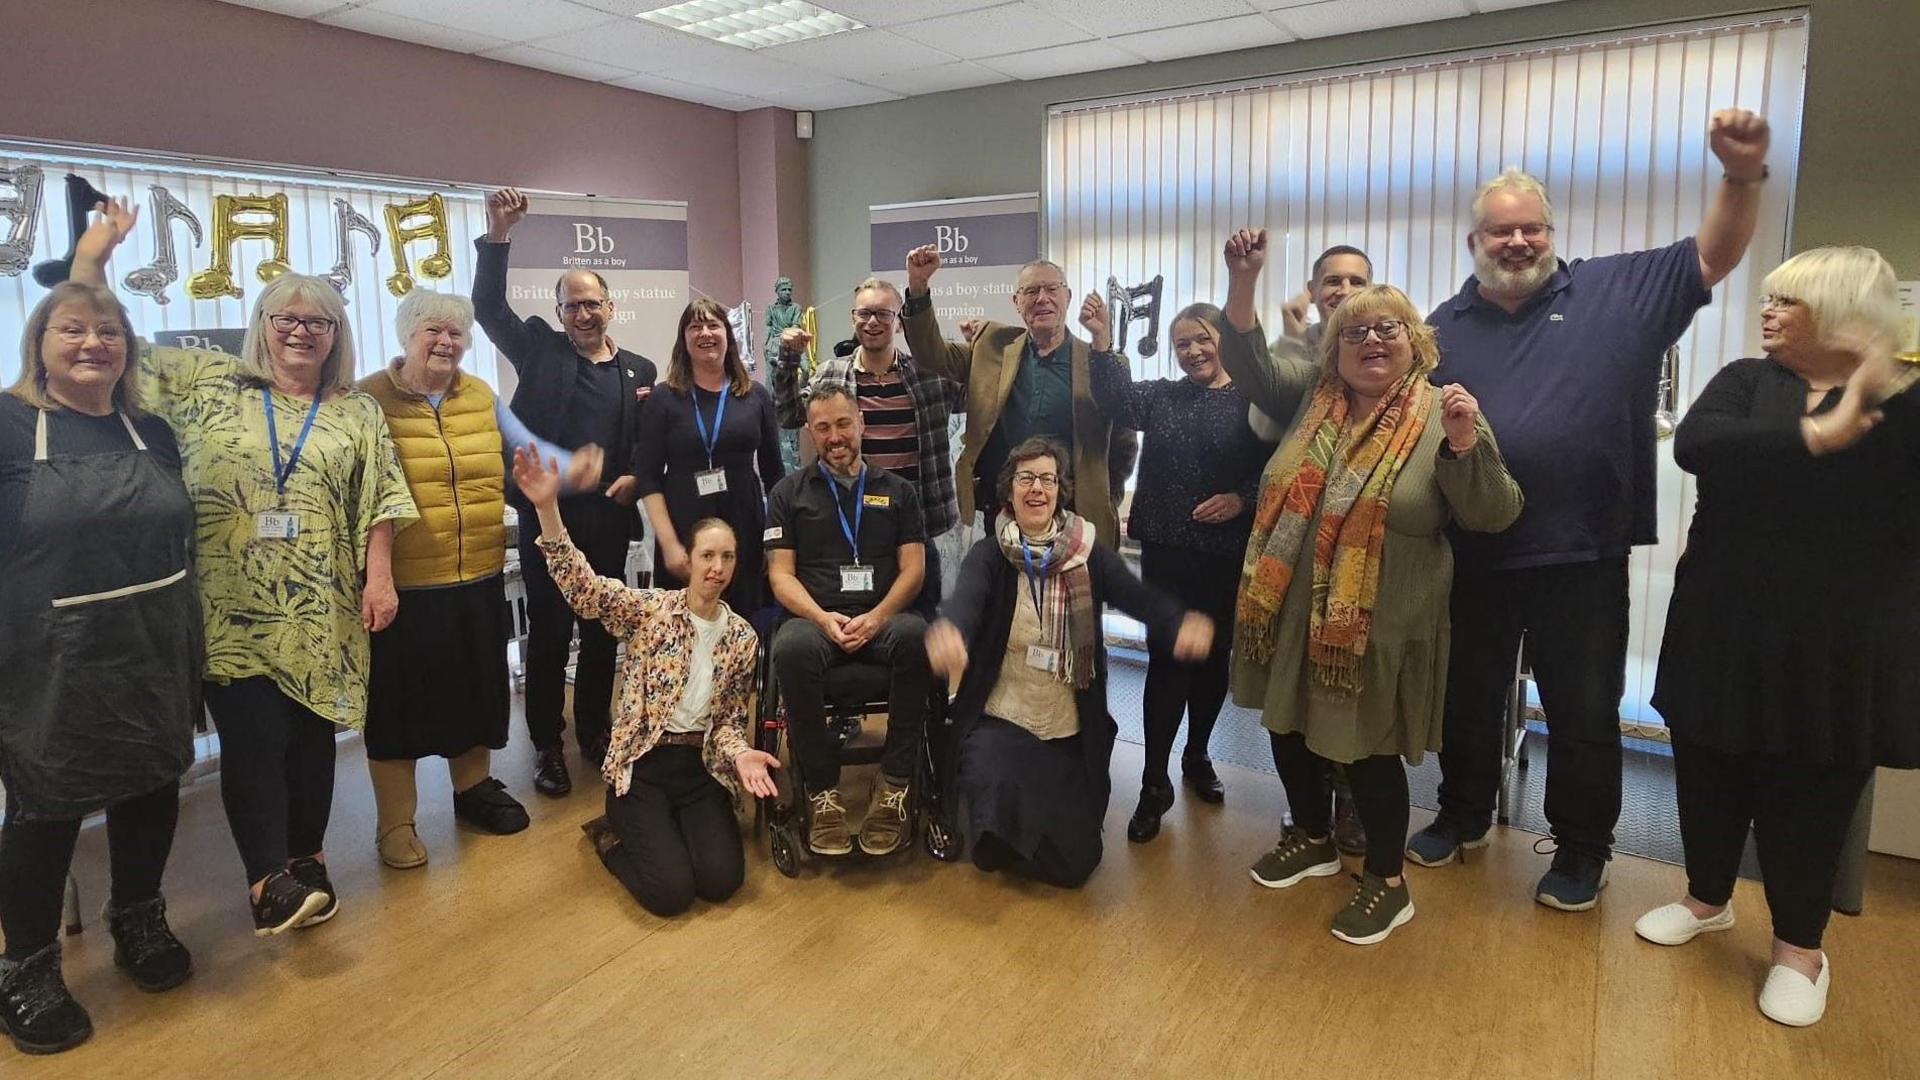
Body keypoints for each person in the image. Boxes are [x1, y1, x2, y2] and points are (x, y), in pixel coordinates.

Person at [1411, 109, 1773, 913]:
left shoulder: (1620, 288)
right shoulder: (1439, 328)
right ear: (1474, 242)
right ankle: (1463, 812)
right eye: (1500, 232)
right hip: (1474, 552)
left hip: (1583, 551)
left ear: (1550, 232)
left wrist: (1742, 174)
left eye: (1531, 228)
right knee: (1465, 698)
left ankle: (1580, 848)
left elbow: (1714, 254)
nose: (1517, 243)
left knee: (1581, 710)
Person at [72, 203, 419, 936]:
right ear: (262, 325)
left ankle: (308, 856)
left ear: (336, 335)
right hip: (227, 603)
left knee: (314, 737)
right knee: (255, 737)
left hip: (322, 604)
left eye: (317, 322)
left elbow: (379, 496)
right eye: (286, 318)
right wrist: (93, 264)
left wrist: (379, 575)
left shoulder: (355, 411)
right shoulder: (211, 384)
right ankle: (268, 882)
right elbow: (112, 347)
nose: (300, 330)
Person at [1634, 248, 1918, 1027]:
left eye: (1787, 301)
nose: (1768, 313)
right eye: (1769, 300)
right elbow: (1698, 447)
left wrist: (1853, 407)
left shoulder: (1908, 401)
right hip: (1723, 620)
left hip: (1835, 640)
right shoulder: (1746, 382)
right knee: (1708, 760)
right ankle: (1705, 898)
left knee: (1812, 786)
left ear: (1841, 311)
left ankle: (1801, 949)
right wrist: (1817, 437)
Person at [1217, 229, 1522, 945]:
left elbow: (1495, 512)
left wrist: (1463, 446)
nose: (1371, 340)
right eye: (1355, 331)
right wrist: (1243, 281)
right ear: (1333, 347)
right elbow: (1246, 361)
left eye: (1389, 328)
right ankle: (1315, 839)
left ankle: (1387, 880)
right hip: (1290, 609)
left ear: (1417, 342)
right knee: (1287, 728)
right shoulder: (1313, 399)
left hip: (1381, 624)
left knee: (1366, 750)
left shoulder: (1442, 409)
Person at [0, 282, 199, 1056]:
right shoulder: (11, 425)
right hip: (46, 654)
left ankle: (138, 917)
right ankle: (27, 968)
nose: (93, 344)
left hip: (151, 640)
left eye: (109, 332)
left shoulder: (149, 430)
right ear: (39, 342)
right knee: (46, 809)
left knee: (151, 784)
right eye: (72, 329)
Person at [359, 291, 603, 868]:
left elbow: (526, 448)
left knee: (475, 691)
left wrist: (574, 469)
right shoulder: (368, 399)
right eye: (433, 332)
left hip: (478, 574)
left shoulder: (480, 396)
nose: (447, 343)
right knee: (398, 706)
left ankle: (473, 792)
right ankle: (395, 823)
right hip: (404, 584)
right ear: (407, 336)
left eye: (456, 333)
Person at [925, 438, 1211, 888]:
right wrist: (952, 632)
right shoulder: (990, 555)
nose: (1036, 488)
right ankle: (996, 813)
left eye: (1047, 478)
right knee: (991, 831)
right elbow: (967, 600)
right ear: (1009, 491)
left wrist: (1177, 624)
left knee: (1076, 866)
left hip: (1066, 725)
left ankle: (1027, 818)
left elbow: (1134, 595)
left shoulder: (1087, 551)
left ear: (1060, 491)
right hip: (1004, 716)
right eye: (1026, 478)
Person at [515, 447, 779, 918]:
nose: (716, 567)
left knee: (722, 882)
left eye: (727, 557)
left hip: (698, 770)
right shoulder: (651, 611)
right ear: (689, 560)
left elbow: (727, 725)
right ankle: (611, 835)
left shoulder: (741, 637)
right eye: (707, 555)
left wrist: (740, 755)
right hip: (644, 767)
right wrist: (547, 509)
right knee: (671, 895)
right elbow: (585, 589)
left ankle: (671, 829)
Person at [473, 188, 657, 799]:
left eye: (591, 303)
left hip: (606, 520)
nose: (582, 314)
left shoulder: (640, 369)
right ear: (557, 314)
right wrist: (499, 233)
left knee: (604, 628)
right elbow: (487, 307)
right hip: (548, 519)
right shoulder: (538, 349)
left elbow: (641, 445)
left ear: (611, 306)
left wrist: (637, 476)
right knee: (550, 632)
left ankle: (596, 732)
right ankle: (547, 745)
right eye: (571, 306)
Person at [1085, 298, 1267, 842]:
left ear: (1224, 342)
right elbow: (1112, 396)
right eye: (1182, 343)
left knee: (1213, 661)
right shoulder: (1162, 396)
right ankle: (1152, 783)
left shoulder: (1254, 404)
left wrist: (1242, 499)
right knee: (1167, 663)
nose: (1192, 351)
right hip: (1167, 549)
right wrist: (1100, 340)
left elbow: (1277, 471)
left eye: (1202, 339)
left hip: (1225, 551)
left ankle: (1198, 754)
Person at [766, 384, 930, 858]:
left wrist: (878, 618)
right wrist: (822, 617)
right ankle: (821, 792)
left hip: (884, 618)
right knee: (790, 650)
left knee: (917, 636)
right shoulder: (787, 494)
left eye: (843, 424)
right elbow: (780, 576)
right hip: (815, 619)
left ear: (860, 424)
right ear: (810, 434)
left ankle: (895, 783)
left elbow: (914, 570)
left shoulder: (898, 492)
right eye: (823, 427)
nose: (835, 436)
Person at [901, 248, 1138, 547]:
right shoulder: (991, 347)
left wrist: (1104, 496)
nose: (1042, 298)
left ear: (1068, 296)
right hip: (1003, 514)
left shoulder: (1102, 364)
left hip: (1076, 517)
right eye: (1031, 291)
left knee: (1074, 595)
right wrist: (918, 287)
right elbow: (931, 354)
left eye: (1052, 289)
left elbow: (1124, 445)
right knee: (1005, 594)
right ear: (1016, 301)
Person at [773, 276, 964, 606]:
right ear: (853, 319)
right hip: (850, 526)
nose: (872, 322)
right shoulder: (830, 375)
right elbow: (790, 416)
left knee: (918, 626)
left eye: (883, 314)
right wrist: (789, 359)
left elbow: (978, 395)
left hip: (914, 526)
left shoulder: (929, 374)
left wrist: (978, 350)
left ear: (900, 321)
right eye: (864, 314)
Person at [634, 299, 783, 616]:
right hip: (683, 530)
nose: (705, 333)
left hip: (744, 529)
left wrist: (777, 549)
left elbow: (775, 476)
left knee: (741, 626)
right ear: (683, 340)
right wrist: (670, 545)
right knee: (684, 633)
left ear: (728, 336)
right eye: (695, 326)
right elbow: (647, 477)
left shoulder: (755, 396)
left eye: (713, 325)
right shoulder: (663, 398)